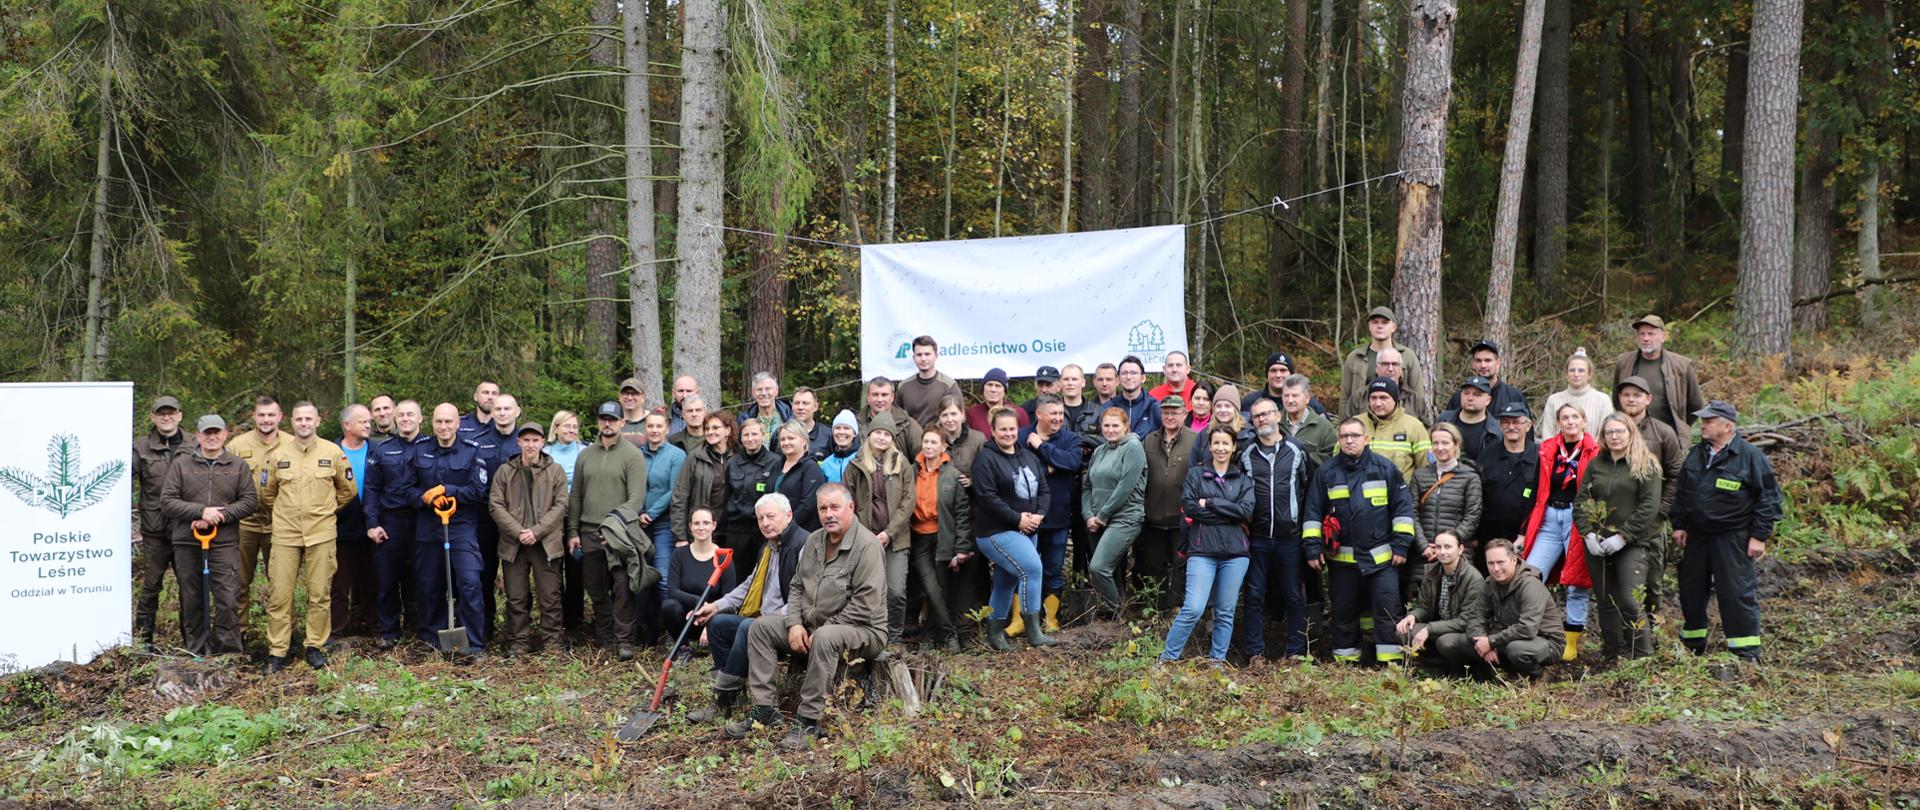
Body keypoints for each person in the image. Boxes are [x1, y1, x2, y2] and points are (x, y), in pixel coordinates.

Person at [728, 485, 888, 751]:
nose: (828, 514)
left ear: (851, 508)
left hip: (864, 631)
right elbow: (797, 587)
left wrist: (825, 628)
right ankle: (764, 709)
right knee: (760, 628)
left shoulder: (867, 546)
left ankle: (808, 720)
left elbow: (865, 604)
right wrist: (794, 624)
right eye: (823, 508)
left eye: (835, 507)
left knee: (825, 637)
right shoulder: (814, 540)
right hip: (812, 624)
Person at [1671, 401, 1781, 662]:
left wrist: (1759, 536)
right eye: (1703, 420)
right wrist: (1679, 524)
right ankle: (1693, 643)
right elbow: (1683, 493)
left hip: (1732, 538)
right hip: (1697, 537)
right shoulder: (1697, 454)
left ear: (1727, 426)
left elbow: (1768, 499)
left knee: (1735, 592)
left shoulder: (1750, 457)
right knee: (1691, 590)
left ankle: (1745, 651)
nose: (1703, 425)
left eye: (1709, 421)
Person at [686, 494, 809, 725]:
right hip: (765, 622)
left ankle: (722, 702)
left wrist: (768, 621)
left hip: (794, 624)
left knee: (747, 626)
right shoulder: (768, 547)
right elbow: (749, 585)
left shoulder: (803, 545)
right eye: (761, 518)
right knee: (718, 624)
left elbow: (806, 598)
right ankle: (734, 699)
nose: (765, 523)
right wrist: (715, 606)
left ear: (789, 515)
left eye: (771, 516)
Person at [1303, 417, 1417, 664]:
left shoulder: (1385, 469)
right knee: (1343, 613)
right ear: (1339, 440)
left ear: (1366, 439)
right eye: (1344, 436)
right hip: (1342, 563)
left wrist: (1401, 545)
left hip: (1382, 560)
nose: (1349, 440)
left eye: (1355, 435)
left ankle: (1391, 665)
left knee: (1387, 613)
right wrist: (1312, 548)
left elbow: (1403, 511)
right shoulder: (1326, 473)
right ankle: (1346, 665)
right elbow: (1312, 513)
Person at [258, 402, 358, 673]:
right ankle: (278, 650)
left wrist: (325, 510)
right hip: (286, 534)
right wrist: (287, 512)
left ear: (318, 420)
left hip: (321, 533)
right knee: (279, 594)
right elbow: (266, 493)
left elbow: (348, 489)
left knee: (320, 593)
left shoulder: (333, 452)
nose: (304, 423)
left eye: (309, 419)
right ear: (292, 421)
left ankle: (315, 646)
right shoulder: (277, 455)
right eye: (299, 419)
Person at [158, 414, 260, 656]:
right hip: (187, 541)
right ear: (198, 436)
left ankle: (229, 653)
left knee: (227, 597)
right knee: (192, 598)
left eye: (217, 432)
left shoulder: (237, 466)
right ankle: (197, 649)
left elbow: (249, 501)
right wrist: (200, 511)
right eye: (207, 433)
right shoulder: (181, 465)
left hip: (224, 543)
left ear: (225, 435)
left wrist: (220, 516)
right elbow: (167, 501)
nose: (212, 437)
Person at [403, 403, 494, 655]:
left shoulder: (471, 451)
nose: (443, 427)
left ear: (457, 424)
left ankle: (474, 644)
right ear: (432, 423)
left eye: (448, 422)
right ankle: (432, 639)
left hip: (461, 529)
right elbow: (407, 491)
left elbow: (479, 491)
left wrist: (448, 491)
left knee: (469, 583)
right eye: (439, 422)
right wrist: (426, 498)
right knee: (429, 586)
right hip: (428, 527)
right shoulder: (420, 450)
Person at [1161, 426, 1253, 664]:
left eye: (1226, 443)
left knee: (1224, 612)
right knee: (1193, 608)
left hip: (1235, 554)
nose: (1221, 448)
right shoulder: (1195, 475)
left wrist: (1210, 503)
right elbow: (1190, 508)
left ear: (1233, 447)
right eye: (1216, 443)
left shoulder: (1242, 479)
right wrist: (1228, 513)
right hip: (1202, 551)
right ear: (1209, 446)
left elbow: (1246, 511)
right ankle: (1167, 659)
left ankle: (1217, 663)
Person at [566, 402, 650, 659]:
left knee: (623, 587)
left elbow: (636, 499)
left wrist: (613, 526)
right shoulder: (585, 455)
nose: (607, 423)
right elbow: (576, 496)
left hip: (620, 533)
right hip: (589, 533)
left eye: (613, 419)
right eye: (603, 418)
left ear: (622, 422)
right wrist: (572, 531)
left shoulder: (633, 455)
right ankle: (604, 636)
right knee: (596, 588)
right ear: (598, 422)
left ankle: (625, 640)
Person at [1576, 414, 1661, 660]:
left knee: (1630, 600)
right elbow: (1581, 501)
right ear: (1602, 436)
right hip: (1598, 543)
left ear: (1630, 432)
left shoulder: (1646, 464)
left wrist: (1623, 537)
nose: (1614, 436)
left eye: (1620, 431)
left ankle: (1642, 656)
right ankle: (1611, 654)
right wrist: (1588, 534)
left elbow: (1649, 507)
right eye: (1609, 432)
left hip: (1633, 544)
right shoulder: (1596, 464)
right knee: (1605, 600)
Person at [1519, 403, 1600, 662]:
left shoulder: (1595, 452)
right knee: (1530, 575)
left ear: (1584, 421)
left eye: (1575, 416)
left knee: (1577, 580)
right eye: (1565, 418)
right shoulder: (1547, 449)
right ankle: (1535, 629)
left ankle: (1571, 641)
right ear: (1558, 423)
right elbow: (1535, 489)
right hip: (1550, 518)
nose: (1570, 421)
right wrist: (1523, 530)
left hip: (1578, 518)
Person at [972, 407, 1057, 650]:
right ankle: (1034, 632)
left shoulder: (1028, 456)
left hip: (1029, 529)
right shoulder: (985, 460)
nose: (1008, 433)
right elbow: (987, 498)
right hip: (996, 532)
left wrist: (1039, 515)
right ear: (993, 431)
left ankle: (995, 634)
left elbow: (1043, 488)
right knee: (1032, 569)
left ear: (1018, 430)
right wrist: (1017, 519)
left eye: (1012, 429)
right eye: (1003, 429)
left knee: (1005, 582)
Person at [1237, 397, 1314, 663]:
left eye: (1266, 414)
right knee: (1255, 594)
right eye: (1256, 416)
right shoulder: (1246, 453)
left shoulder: (1296, 450)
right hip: (1256, 537)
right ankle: (1255, 652)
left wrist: (1302, 525)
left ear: (1277, 416)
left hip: (1289, 538)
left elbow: (1308, 488)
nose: (1261, 420)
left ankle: (1295, 650)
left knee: (1293, 594)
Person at [488, 422, 568, 656]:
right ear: (519, 442)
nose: (531, 444)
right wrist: (517, 531)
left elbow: (561, 504)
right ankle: (518, 641)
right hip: (514, 545)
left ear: (543, 442)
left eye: (535, 440)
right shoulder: (505, 471)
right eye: (526, 440)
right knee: (516, 596)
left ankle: (552, 642)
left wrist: (537, 531)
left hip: (546, 545)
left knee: (550, 596)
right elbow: (495, 504)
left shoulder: (555, 471)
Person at [1440, 539, 1564, 679]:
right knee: (1447, 641)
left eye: (1500, 562)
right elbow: (1475, 619)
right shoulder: (1489, 584)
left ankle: (1540, 676)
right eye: (1491, 563)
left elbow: (1528, 628)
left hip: (1544, 641)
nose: (1496, 568)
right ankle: (1487, 673)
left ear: (1514, 560)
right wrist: (1483, 642)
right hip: (1504, 637)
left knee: (1517, 650)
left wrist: (1491, 642)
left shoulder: (1530, 585)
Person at [1615, 375, 1685, 617]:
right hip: (1616, 519)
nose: (1631, 399)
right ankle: (1624, 635)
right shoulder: (1610, 429)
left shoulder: (1664, 433)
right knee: (1617, 582)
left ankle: (1652, 632)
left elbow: (1676, 475)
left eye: (1637, 395)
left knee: (1652, 581)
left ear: (1648, 399)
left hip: (1651, 523)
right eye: (1626, 395)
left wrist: (1661, 511)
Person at [843, 413, 914, 644]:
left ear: (892, 438)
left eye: (887, 434)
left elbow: (908, 502)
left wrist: (889, 533)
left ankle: (893, 638)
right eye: (878, 433)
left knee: (895, 591)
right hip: (865, 539)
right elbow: (848, 503)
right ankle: (871, 637)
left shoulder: (901, 463)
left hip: (896, 539)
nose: (882, 438)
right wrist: (865, 536)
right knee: (868, 590)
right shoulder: (855, 464)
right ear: (869, 435)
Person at [362, 399, 424, 649]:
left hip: (422, 522)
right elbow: (371, 489)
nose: (406, 418)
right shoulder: (382, 449)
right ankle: (389, 632)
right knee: (387, 579)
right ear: (395, 419)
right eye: (402, 415)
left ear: (421, 418)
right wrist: (372, 523)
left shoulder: (430, 447)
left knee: (423, 579)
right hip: (391, 523)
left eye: (411, 414)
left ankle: (422, 630)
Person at [1018, 397, 1083, 634]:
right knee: (1025, 568)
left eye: (1061, 413)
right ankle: (1021, 618)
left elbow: (1073, 462)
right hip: (1025, 517)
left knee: (1053, 569)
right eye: (1052, 413)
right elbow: (1017, 468)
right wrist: (1051, 467)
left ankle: (1051, 618)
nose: (1058, 418)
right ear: (1039, 414)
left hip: (1057, 517)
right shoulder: (1021, 435)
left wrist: (1041, 447)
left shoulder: (1070, 438)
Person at [132, 395, 188, 650]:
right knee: (152, 584)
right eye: (161, 413)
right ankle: (143, 641)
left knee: (190, 586)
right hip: (155, 530)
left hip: (187, 529)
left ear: (179, 415)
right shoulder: (140, 447)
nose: (166, 417)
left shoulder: (194, 444)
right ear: (153, 417)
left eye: (171, 412)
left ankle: (193, 641)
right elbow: (120, 479)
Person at [911, 425, 972, 652]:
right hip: (919, 538)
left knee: (939, 589)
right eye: (926, 442)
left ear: (944, 446)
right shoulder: (912, 471)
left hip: (943, 538)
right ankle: (949, 633)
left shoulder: (953, 475)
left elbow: (962, 515)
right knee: (931, 588)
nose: (928, 446)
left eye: (934, 442)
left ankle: (930, 635)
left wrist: (962, 548)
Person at [225, 396, 284, 625]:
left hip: (279, 525)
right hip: (244, 524)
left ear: (280, 417)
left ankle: (280, 636)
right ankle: (237, 635)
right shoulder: (237, 446)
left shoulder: (291, 443)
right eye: (261, 415)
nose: (266, 419)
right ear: (254, 417)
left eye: (271, 415)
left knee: (281, 584)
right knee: (238, 582)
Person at [1084, 406, 1148, 614]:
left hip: (1125, 517)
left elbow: (1125, 487)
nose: (1110, 430)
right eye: (1106, 425)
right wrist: (1088, 516)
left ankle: (1116, 610)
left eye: (1115, 425)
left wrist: (1102, 515)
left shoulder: (1133, 447)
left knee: (1098, 567)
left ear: (1125, 427)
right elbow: (1087, 486)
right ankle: (1113, 616)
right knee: (1111, 570)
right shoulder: (1099, 451)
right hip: (1096, 519)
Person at [1140, 397, 1197, 610]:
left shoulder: (1196, 439)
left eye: (1174, 412)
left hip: (1181, 518)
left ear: (1184, 414)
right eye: (1166, 412)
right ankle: (1156, 608)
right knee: (1154, 567)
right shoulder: (1149, 440)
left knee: (1181, 567)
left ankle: (1177, 609)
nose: (1170, 417)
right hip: (1153, 517)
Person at [1395, 530, 1484, 665]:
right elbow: (1424, 606)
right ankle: (1434, 665)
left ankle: (1459, 670)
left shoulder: (1473, 578)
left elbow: (1466, 621)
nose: (1442, 552)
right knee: (1403, 631)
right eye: (1438, 547)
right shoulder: (1431, 572)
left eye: (1448, 547)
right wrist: (1413, 616)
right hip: (1440, 625)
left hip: (1461, 631)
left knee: (1446, 642)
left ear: (1460, 549)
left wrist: (1429, 629)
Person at [637, 412, 688, 642]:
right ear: (645, 429)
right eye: (650, 426)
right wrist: (638, 513)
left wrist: (651, 513)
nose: (654, 430)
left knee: (665, 577)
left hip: (664, 524)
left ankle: (673, 631)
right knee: (642, 577)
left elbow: (674, 489)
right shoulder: (637, 455)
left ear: (667, 428)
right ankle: (646, 628)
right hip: (638, 525)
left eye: (659, 426)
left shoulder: (676, 455)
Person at [1612, 314, 1706, 436]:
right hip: (1632, 434)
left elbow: (1696, 403)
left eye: (1651, 334)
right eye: (1642, 334)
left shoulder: (1681, 365)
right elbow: (1617, 399)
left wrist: (1680, 426)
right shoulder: (1624, 362)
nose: (1646, 338)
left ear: (1663, 337)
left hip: (1669, 437)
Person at [330, 404, 378, 638]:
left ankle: (373, 629)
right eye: (363, 421)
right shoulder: (330, 451)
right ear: (347, 425)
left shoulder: (377, 450)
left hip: (372, 527)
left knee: (372, 582)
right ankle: (336, 632)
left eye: (369, 421)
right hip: (341, 529)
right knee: (339, 585)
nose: (369, 425)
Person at [662, 507, 737, 644]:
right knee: (669, 606)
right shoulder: (680, 554)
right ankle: (683, 647)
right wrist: (699, 602)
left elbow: (729, 598)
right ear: (690, 527)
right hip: (686, 618)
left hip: (712, 617)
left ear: (714, 525)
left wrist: (711, 621)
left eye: (706, 523)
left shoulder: (723, 557)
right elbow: (672, 590)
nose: (701, 527)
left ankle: (712, 637)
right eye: (696, 523)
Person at [1475, 403, 1541, 556]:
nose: (1511, 426)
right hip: (1489, 537)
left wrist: (1526, 533)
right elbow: (1477, 496)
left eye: (1516, 422)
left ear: (1528, 425)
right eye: (1505, 422)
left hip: (1527, 538)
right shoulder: (1487, 455)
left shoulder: (1541, 456)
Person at [1413, 423, 1483, 566]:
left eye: (1445, 443)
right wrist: (1423, 545)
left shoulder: (1470, 477)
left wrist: (1447, 546)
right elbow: (1411, 513)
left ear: (1456, 444)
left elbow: (1472, 516)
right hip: (1425, 553)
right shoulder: (1420, 475)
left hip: (1457, 553)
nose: (1440, 448)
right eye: (1435, 443)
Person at [1341, 307, 1430, 419]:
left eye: (1385, 322)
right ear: (1369, 326)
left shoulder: (1407, 356)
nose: (1379, 326)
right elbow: (1345, 398)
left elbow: (1417, 394)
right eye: (1375, 322)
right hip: (1363, 420)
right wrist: (1344, 427)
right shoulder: (1355, 357)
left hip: (1401, 420)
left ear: (1394, 327)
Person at [723, 418, 781, 576]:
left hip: (762, 529)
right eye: (746, 435)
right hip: (737, 530)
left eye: (754, 434)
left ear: (763, 435)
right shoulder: (733, 462)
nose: (750, 439)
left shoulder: (775, 461)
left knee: (762, 574)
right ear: (740, 438)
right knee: (736, 575)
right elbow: (726, 495)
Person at [672, 411, 734, 548]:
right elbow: (680, 496)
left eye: (715, 428)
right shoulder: (695, 457)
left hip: (732, 531)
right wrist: (680, 536)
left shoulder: (739, 456)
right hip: (702, 530)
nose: (710, 432)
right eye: (707, 429)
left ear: (727, 430)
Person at [1360, 378, 1432, 482]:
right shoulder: (1356, 424)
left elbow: (1426, 469)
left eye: (1383, 398)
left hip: (1400, 495)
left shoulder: (1414, 426)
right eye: (1373, 398)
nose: (1378, 403)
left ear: (1395, 400)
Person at [1539, 349, 1614, 440]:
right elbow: (1548, 435)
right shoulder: (1554, 400)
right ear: (1566, 374)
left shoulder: (1602, 400)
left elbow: (1605, 435)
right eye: (1572, 370)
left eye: (1581, 370)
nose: (1576, 374)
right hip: (1559, 453)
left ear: (1589, 374)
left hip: (1594, 453)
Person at [1444, 340, 1526, 415]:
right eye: (1478, 361)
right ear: (1473, 364)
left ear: (1498, 362)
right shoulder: (1461, 398)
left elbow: (1526, 428)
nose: (1483, 365)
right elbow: (1446, 427)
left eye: (1488, 360)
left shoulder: (1513, 396)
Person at [897, 336, 963, 426]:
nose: (923, 359)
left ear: (936, 356)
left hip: (941, 438)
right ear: (914, 357)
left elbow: (960, 417)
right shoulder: (903, 386)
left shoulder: (949, 385)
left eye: (927, 354)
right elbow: (897, 418)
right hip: (911, 438)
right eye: (919, 355)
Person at [1438, 376, 1502, 462]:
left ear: (1488, 400)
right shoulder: (1444, 420)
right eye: (1466, 393)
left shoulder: (1496, 431)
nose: (1470, 398)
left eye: (1477, 395)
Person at [1279, 374, 1336, 466]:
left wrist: (1305, 458)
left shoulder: (1323, 427)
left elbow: (1332, 457)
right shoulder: (1275, 423)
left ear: (1307, 398)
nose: (1290, 400)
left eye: (1295, 396)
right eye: (1286, 396)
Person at [859, 376, 924, 454]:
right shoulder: (857, 424)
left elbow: (921, 458)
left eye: (884, 395)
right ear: (868, 397)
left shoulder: (908, 425)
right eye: (875, 395)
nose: (879, 399)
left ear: (892, 397)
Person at [1371, 348, 1430, 421]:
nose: (1390, 369)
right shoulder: (1360, 397)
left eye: (1395, 364)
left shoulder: (1415, 400)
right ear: (1377, 368)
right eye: (1385, 364)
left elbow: (1426, 430)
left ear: (1401, 369)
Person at [967, 368, 1030, 432]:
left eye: (998, 386)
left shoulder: (1018, 413)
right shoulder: (973, 414)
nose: (993, 390)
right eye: (989, 385)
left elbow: (1024, 438)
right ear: (983, 388)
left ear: (1004, 391)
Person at [1111, 356, 1161, 436]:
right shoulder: (1109, 407)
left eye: (1133, 373)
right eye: (1124, 373)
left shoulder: (1155, 407)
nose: (1128, 377)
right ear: (1118, 379)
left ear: (1143, 378)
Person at [818, 410, 862, 483]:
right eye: (837, 428)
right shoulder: (826, 464)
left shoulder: (863, 459)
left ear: (855, 433)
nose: (841, 432)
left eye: (846, 428)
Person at [544, 410, 587, 486]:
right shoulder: (545, 453)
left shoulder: (585, 452)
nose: (571, 430)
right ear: (555, 429)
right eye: (567, 426)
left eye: (575, 427)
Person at [789, 388, 834, 457]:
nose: (800, 407)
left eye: (805, 403)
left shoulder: (828, 435)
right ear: (792, 406)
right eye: (797, 403)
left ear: (815, 407)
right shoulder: (781, 434)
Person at [1057, 364, 1098, 440]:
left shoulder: (1097, 411)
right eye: (1066, 379)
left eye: (1074, 379)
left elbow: (1106, 440)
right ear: (1060, 383)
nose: (1070, 383)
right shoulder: (1051, 411)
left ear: (1083, 382)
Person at [617, 377, 650, 443]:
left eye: (634, 393)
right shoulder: (613, 423)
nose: (629, 398)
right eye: (626, 393)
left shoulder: (652, 422)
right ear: (619, 397)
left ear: (643, 397)